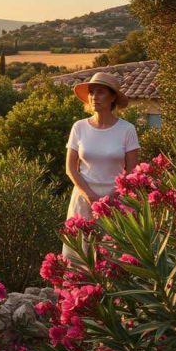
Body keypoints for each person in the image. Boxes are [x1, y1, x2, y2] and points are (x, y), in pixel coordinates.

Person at [62, 72, 140, 254]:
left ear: (113, 97)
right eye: (91, 92)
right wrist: (90, 196)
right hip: (83, 198)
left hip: (116, 200)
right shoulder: (79, 127)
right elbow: (70, 168)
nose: (94, 97)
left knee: (113, 254)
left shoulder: (127, 130)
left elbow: (132, 171)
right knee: (80, 254)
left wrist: (111, 198)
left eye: (100, 92)